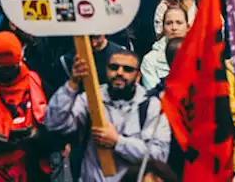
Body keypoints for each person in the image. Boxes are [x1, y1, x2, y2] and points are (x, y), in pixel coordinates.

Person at [45, 48, 171, 181]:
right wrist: (72, 84)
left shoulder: (151, 106)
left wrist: (118, 142)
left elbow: (159, 156)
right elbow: (54, 123)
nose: (119, 73)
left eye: (127, 69)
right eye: (114, 67)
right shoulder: (91, 98)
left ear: (138, 75)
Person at [0, 31, 55, 181]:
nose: (6, 74)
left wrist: (37, 136)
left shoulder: (38, 84)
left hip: (32, 170)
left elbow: (59, 133)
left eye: (11, 68)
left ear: (20, 62)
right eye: (1, 70)